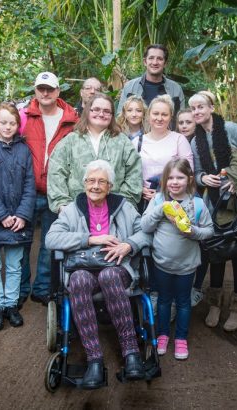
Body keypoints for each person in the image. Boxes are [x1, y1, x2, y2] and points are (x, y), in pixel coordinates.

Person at [45, 159, 150, 389]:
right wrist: (89, 239)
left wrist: (129, 245)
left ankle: (131, 354)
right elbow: (50, 239)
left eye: (101, 181)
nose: (95, 186)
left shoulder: (125, 207)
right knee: (79, 279)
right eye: (91, 180)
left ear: (109, 186)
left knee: (108, 276)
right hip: (83, 269)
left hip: (116, 270)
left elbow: (145, 232)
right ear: (84, 184)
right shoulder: (72, 210)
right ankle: (94, 359)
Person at [189, 90, 237, 332]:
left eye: (201, 106)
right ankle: (215, 304)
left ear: (211, 107)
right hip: (213, 203)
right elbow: (197, 173)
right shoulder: (195, 140)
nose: (197, 111)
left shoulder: (231, 129)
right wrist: (203, 178)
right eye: (193, 108)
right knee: (216, 253)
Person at [141, 158, 213, 360]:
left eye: (180, 177)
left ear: (189, 179)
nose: (175, 182)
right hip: (161, 263)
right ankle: (163, 334)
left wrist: (193, 231)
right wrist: (161, 209)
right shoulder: (157, 200)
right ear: (164, 180)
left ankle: (181, 338)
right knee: (163, 301)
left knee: (183, 302)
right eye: (170, 177)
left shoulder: (198, 204)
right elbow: (145, 226)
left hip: (187, 266)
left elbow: (209, 231)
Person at [18, 71, 78, 307]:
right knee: (21, 242)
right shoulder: (24, 116)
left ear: (58, 91)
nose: (45, 93)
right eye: (41, 89)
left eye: (49, 89)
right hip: (27, 192)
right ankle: (20, 287)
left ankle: (42, 288)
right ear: (35, 91)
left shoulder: (72, 119)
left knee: (49, 244)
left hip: (56, 192)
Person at [0, 103, 36, 331]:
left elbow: (30, 185)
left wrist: (22, 214)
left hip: (17, 220)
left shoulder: (23, 150)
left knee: (14, 265)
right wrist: (2, 215)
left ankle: (11, 305)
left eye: (12, 123)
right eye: (3, 122)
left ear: (18, 125)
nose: (8, 127)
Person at [48, 93, 142, 213]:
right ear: (87, 111)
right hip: (76, 211)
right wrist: (63, 206)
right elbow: (56, 173)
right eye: (96, 109)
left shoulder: (122, 142)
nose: (101, 114)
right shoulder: (70, 141)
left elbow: (134, 174)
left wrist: (122, 206)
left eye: (107, 111)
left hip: (114, 212)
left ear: (112, 115)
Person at [134, 94, 193, 208]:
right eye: (155, 114)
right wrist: (140, 189)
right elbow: (129, 172)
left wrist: (162, 194)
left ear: (171, 116)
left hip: (174, 200)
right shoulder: (137, 142)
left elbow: (188, 173)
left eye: (164, 114)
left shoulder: (179, 140)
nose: (159, 118)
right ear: (148, 115)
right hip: (143, 200)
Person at [176, 108, 206, 306]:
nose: (184, 126)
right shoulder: (177, 141)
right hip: (181, 194)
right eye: (181, 122)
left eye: (188, 122)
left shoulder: (202, 141)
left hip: (201, 197)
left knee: (200, 243)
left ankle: (198, 286)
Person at [117, 44, 185, 116]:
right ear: (145, 62)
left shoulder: (176, 89)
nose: (155, 62)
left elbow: (181, 119)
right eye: (151, 58)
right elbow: (120, 116)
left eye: (159, 59)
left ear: (165, 63)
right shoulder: (130, 87)